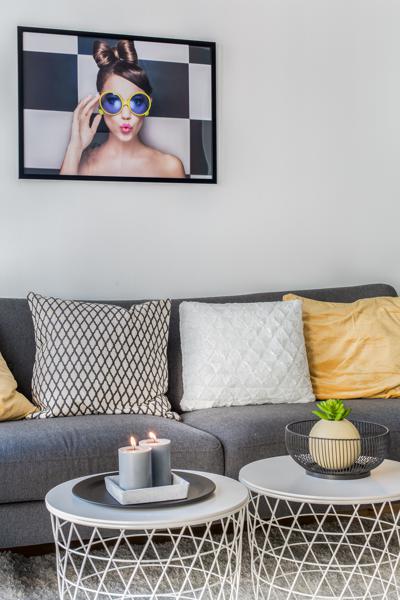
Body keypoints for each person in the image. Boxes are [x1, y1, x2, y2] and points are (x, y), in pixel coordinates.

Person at [60, 39, 185, 178]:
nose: (126, 115)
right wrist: (74, 148)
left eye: (137, 102)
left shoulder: (170, 168)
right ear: (100, 104)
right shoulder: (78, 164)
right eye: (113, 101)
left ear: (148, 104)